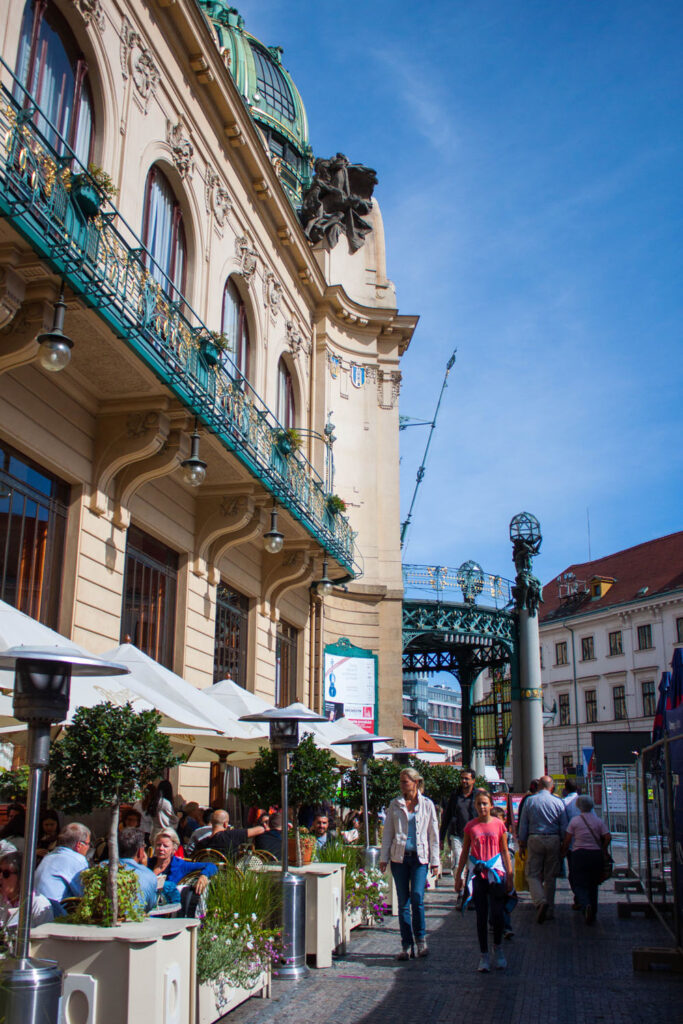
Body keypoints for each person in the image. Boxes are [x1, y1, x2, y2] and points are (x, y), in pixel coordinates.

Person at [380, 767, 440, 960]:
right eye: (401, 781)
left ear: (415, 782)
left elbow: (433, 834)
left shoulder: (427, 804)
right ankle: (406, 945)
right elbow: (388, 832)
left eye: (405, 781)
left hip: (419, 857)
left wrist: (435, 861)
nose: (402, 785)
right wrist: (383, 858)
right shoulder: (395, 804)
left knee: (417, 897)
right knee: (403, 903)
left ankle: (421, 939)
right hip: (400, 856)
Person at [454, 790, 513, 972]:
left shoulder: (498, 825)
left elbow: (504, 850)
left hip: (495, 873)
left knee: (496, 914)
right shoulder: (471, 826)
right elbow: (465, 851)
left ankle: (498, 947)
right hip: (478, 875)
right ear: (475, 806)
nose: (482, 807)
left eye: (485, 803)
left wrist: (510, 874)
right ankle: (484, 955)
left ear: (491, 805)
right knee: (480, 916)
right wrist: (459, 876)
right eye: (479, 804)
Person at [518, 775, 568, 923]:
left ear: (539, 785)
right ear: (552, 787)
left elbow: (523, 824)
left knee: (532, 873)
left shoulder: (530, 801)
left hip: (535, 838)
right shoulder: (558, 802)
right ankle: (550, 909)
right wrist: (563, 844)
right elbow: (564, 825)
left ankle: (540, 901)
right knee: (550, 876)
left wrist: (522, 843)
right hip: (553, 838)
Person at [560, 795, 611, 925]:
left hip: (579, 854)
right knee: (593, 884)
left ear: (579, 806)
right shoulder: (598, 820)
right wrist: (603, 848)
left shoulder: (575, 821)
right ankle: (593, 911)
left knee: (578, 882)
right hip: (595, 855)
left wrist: (564, 851)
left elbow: (567, 839)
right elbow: (607, 836)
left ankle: (584, 903)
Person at [34, 823, 91, 909]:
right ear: (79, 845)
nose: (89, 847)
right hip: (54, 913)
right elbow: (85, 894)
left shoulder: (49, 856)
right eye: (88, 844)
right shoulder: (78, 860)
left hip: (35, 909)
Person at [148, 828, 217, 896]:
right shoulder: (148, 863)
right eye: (158, 845)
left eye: (165, 846)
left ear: (174, 849)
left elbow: (212, 866)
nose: (161, 848)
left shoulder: (180, 865)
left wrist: (204, 875)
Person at [0, 850, 53, 932]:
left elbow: (43, 943)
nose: (0, 877)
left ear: (22, 876)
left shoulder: (39, 905)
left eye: (6, 873)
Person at [440, 769, 477, 883]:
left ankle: (470, 888)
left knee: (471, 863)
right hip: (457, 834)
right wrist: (441, 837)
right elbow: (447, 816)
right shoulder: (455, 796)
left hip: (473, 835)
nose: (464, 781)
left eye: (467, 778)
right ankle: (459, 886)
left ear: (473, 780)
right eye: (462, 778)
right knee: (458, 861)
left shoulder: (477, 796)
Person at [195, 810, 267, 859]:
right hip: (229, 875)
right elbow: (260, 829)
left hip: (207, 876)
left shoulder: (201, 843)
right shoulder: (232, 835)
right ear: (225, 824)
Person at [490, 806, 516, 939]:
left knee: (508, 900)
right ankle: (504, 926)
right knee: (498, 900)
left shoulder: (507, 835)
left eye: (499, 820)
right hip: (494, 873)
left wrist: (510, 874)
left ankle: (498, 921)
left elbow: (510, 854)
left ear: (504, 820)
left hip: (506, 872)